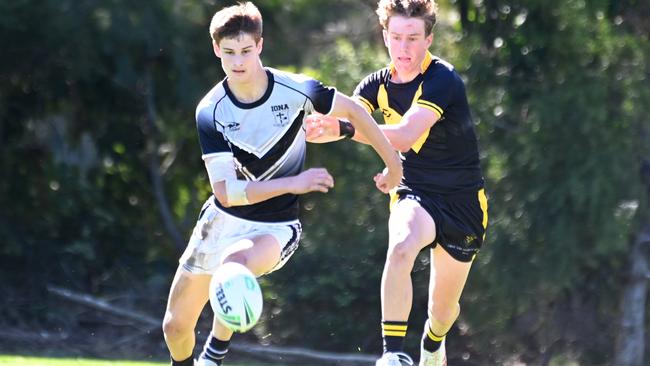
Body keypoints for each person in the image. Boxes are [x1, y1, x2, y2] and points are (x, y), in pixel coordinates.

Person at [161, 2, 403, 366]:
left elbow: (354, 110)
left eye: (245, 50)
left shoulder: (295, 90)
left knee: (234, 265)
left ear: (260, 45)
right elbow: (227, 192)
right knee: (174, 329)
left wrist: (393, 162)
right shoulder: (211, 111)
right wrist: (296, 181)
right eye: (229, 53)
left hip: (275, 227)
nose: (238, 61)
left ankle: (213, 354)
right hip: (222, 219)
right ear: (216, 50)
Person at [306, 1, 488, 365]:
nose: (404, 48)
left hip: (463, 204)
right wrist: (313, 126)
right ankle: (393, 356)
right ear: (385, 36)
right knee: (401, 245)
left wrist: (342, 129)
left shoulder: (443, 79)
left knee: (443, 310)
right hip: (415, 193)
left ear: (429, 39)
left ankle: (432, 344)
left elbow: (403, 135)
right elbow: (343, 114)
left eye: (413, 38)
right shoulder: (375, 85)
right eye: (396, 37)